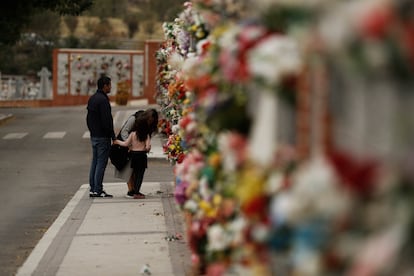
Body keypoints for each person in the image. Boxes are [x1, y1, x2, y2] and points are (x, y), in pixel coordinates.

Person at [86, 76, 115, 198]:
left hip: (94, 136)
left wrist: (92, 131)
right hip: (103, 137)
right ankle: (98, 189)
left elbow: (88, 119)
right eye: (109, 85)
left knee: (95, 162)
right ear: (104, 86)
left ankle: (93, 188)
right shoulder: (103, 100)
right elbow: (106, 120)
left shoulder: (93, 98)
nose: (110, 87)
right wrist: (112, 136)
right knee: (101, 163)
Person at [114, 115, 151, 199]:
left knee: (134, 173)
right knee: (140, 175)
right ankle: (137, 192)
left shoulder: (133, 134)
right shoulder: (146, 135)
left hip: (134, 155)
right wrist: (147, 149)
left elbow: (125, 144)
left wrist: (117, 142)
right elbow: (148, 147)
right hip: (142, 156)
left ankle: (134, 191)